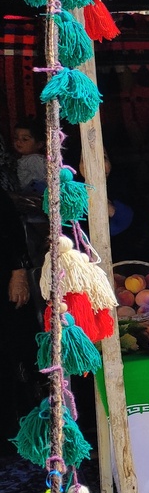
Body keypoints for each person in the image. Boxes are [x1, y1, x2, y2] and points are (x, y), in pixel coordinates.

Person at [1, 183, 40, 438]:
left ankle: (24, 427)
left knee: (15, 351)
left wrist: (19, 271)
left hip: (5, 280)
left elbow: (9, 225)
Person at [12, 118, 48, 195]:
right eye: (16, 138)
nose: (18, 141)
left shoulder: (34, 159)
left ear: (39, 144)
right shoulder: (26, 158)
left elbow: (41, 179)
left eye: (25, 139)